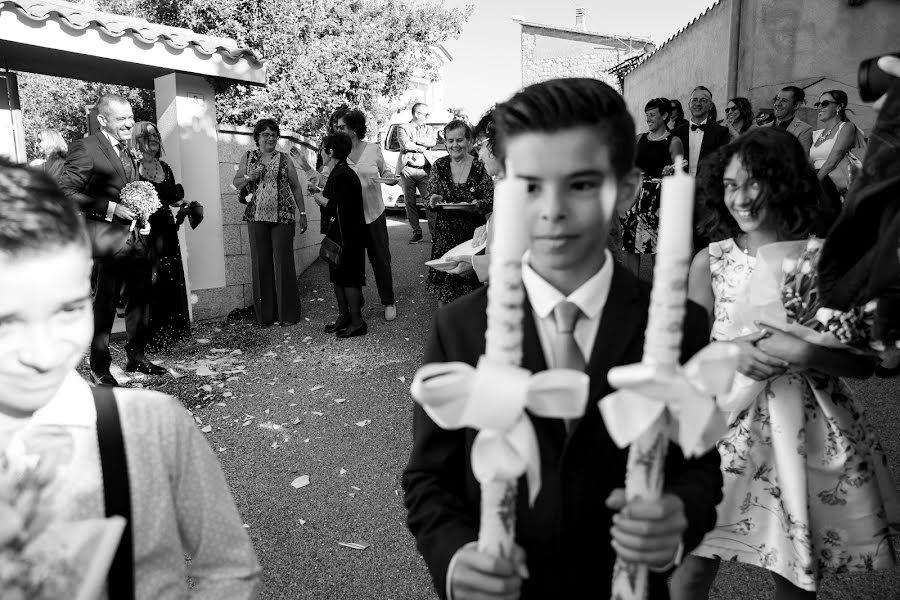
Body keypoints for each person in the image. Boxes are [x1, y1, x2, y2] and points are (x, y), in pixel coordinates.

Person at [403, 78, 724, 600]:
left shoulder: (678, 324)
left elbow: (700, 466)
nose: (551, 209)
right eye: (530, 185)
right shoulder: (461, 327)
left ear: (625, 189)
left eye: (579, 184)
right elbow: (430, 477)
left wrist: (677, 520)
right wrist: (456, 557)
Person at [0, 161, 261, 597]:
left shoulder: (154, 427)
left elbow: (231, 570)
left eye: (67, 309)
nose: (44, 353)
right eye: (8, 321)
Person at [672, 127, 897, 600]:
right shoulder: (710, 262)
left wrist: (806, 351)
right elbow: (686, 354)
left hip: (800, 436)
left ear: (786, 182)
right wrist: (732, 351)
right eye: (731, 185)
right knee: (691, 564)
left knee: (792, 571)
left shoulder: (825, 262)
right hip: (722, 431)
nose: (742, 197)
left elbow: (861, 366)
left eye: (755, 182)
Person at [59, 93, 165, 386]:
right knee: (104, 305)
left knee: (140, 300)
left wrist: (142, 218)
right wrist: (109, 209)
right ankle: (99, 368)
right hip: (105, 240)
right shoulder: (86, 147)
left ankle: (136, 357)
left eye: (130, 117)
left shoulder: (129, 150)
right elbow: (65, 191)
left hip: (135, 239)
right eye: (122, 119)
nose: (130, 123)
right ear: (103, 120)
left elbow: (130, 191)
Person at [233, 118, 307, 328]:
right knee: (261, 264)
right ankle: (265, 317)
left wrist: (302, 213)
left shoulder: (284, 159)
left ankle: (288, 315)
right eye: (266, 134)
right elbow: (236, 183)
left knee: (284, 264)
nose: (271, 138)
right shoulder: (248, 157)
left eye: (274, 135)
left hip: (282, 217)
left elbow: (296, 187)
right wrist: (249, 176)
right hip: (256, 218)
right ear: (257, 137)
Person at [127, 121, 191, 351]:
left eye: (157, 135)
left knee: (169, 278)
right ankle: (149, 339)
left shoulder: (165, 166)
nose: (155, 139)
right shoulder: (131, 166)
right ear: (137, 138)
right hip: (145, 230)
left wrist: (186, 204)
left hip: (166, 228)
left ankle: (171, 334)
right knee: (148, 280)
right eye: (149, 135)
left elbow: (170, 199)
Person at [334, 109, 398, 322]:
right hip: (349, 218)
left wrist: (390, 178)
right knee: (352, 262)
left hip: (374, 213)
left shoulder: (373, 150)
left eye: (341, 127)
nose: (337, 130)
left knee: (381, 259)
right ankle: (356, 302)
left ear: (353, 129)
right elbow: (327, 179)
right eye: (336, 127)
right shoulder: (337, 152)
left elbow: (385, 171)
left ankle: (388, 301)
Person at [423, 120, 493, 305]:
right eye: (450, 140)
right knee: (445, 291)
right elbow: (427, 198)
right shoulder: (439, 166)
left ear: (469, 141)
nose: (455, 145)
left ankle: (467, 332)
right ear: (445, 142)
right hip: (444, 236)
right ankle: (447, 331)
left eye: (459, 140)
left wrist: (476, 205)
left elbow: (491, 199)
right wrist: (432, 200)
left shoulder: (480, 165)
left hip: (473, 239)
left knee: (473, 295)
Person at [310, 132, 368, 338]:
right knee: (338, 277)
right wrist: (319, 192)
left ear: (331, 151)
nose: (321, 153)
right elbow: (336, 197)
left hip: (348, 237)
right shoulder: (339, 172)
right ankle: (344, 316)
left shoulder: (344, 174)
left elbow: (341, 207)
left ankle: (357, 322)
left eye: (323, 149)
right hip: (340, 235)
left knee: (349, 279)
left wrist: (319, 199)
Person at [621, 97, 685, 281]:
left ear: (664, 115)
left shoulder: (674, 141)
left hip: (658, 204)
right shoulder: (639, 138)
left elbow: (681, 170)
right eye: (646, 115)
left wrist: (671, 171)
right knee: (631, 248)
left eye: (652, 115)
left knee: (657, 249)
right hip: (635, 202)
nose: (648, 119)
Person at [810, 90, 864, 201]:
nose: (819, 107)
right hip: (821, 188)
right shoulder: (817, 134)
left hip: (838, 189)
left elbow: (832, 161)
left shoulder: (846, 127)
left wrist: (813, 185)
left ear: (839, 107)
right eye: (817, 104)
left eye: (824, 104)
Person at [399, 103, 438, 244]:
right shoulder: (403, 127)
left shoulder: (429, 128)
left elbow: (432, 142)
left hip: (425, 170)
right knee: (410, 203)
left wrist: (416, 141)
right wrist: (422, 147)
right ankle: (417, 233)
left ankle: (434, 233)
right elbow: (406, 145)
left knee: (429, 202)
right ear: (416, 114)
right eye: (425, 114)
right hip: (408, 169)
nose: (428, 117)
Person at [671, 86, 731, 178]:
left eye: (703, 100)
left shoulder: (721, 132)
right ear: (689, 104)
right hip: (681, 187)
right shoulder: (676, 133)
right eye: (694, 100)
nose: (698, 103)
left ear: (710, 106)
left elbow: (723, 164)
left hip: (707, 188)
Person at [770, 86, 814, 155]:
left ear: (796, 105)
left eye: (784, 100)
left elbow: (800, 160)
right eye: (777, 99)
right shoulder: (762, 128)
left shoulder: (805, 130)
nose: (778, 104)